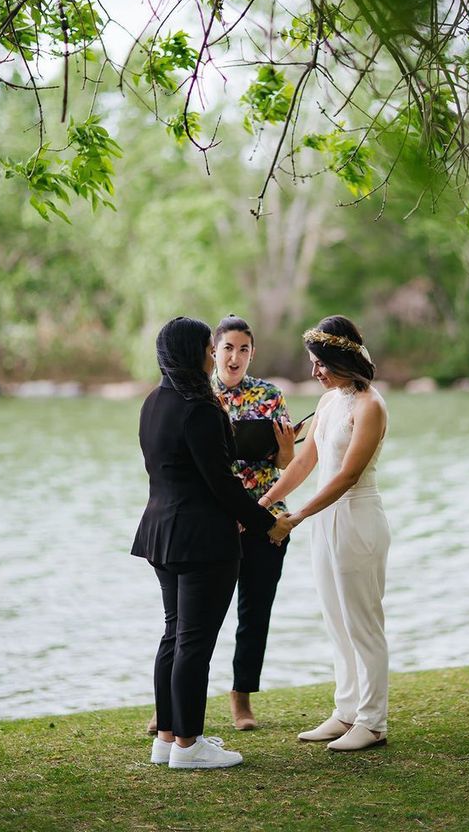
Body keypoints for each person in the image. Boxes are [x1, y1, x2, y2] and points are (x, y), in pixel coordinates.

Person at [131, 316, 291, 770]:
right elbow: (222, 486)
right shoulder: (199, 408)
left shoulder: (153, 401)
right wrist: (268, 524)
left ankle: (167, 738)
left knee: (174, 635)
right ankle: (188, 745)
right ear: (192, 353)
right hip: (202, 540)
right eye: (208, 347)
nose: (212, 355)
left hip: (160, 532)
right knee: (193, 644)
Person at [258, 315, 390, 752]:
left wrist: (295, 517)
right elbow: (302, 463)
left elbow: (348, 475)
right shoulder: (331, 402)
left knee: (362, 622)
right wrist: (263, 504)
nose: (314, 372)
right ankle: (346, 710)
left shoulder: (371, 405)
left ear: (341, 358)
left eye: (319, 363)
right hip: (325, 519)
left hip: (358, 519)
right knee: (335, 620)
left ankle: (373, 722)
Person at [213, 314, 296, 731]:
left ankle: (241, 696)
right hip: (215, 521)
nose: (235, 356)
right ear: (214, 350)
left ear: (252, 353)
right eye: (228, 347)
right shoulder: (199, 396)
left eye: (243, 349)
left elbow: (285, 463)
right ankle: (173, 697)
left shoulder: (269, 394)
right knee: (198, 615)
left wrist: (284, 449)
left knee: (254, 612)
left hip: (267, 519)